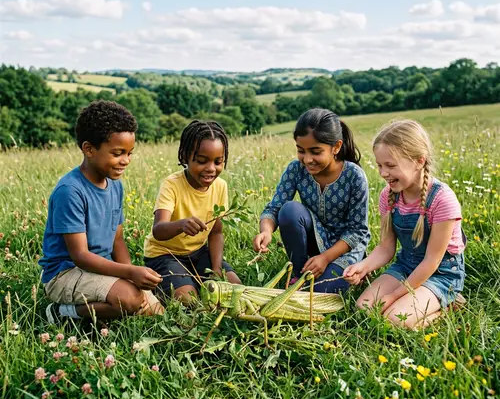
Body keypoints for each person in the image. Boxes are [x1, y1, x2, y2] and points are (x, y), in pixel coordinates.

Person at [40, 100, 163, 324]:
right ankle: (62, 314)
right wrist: (128, 275)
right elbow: (81, 256)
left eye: (129, 153)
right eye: (117, 153)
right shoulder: (70, 191)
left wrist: (132, 272)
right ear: (89, 149)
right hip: (66, 273)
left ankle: (111, 304)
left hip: (102, 267)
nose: (125, 160)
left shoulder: (115, 185)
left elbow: (117, 241)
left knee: (155, 310)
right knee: (131, 300)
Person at [343, 120, 466, 328]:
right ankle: (417, 302)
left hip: (440, 273)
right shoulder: (388, 196)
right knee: (363, 307)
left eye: (390, 165)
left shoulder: (442, 200)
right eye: (380, 165)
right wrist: (363, 267)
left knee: (394, 319)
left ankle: (448, 306)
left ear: (419, 161)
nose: (383, 173)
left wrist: (394, 295)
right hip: (406, 266)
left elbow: (431, 261)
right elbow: (386, 248)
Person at [253, 108, 370, 293]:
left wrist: (325, 258)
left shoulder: (354, 176)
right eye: (301, 151)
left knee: (319, 291)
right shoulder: (295, 169)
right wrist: (266, 231)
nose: (307, 159)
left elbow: (357, 232)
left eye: (316, 152)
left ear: (336, 147)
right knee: (289, 210)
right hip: (316, 239)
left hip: (345, 249)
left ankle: (350, 273)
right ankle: (298, 273)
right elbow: (275, 207)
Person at [144, 120, 241, 304]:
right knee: (189, 300)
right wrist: (181, 225)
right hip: (164, 255)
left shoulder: (220, 186)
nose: (211, 168)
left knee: (234, 288)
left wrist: (217, 268)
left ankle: (191, 279)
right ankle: (165, 283)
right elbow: (159, 229)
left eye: (218, 162)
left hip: (198, 253)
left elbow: (216, 232)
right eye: (201, 161)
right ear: (186, 157)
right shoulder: (172, 184)